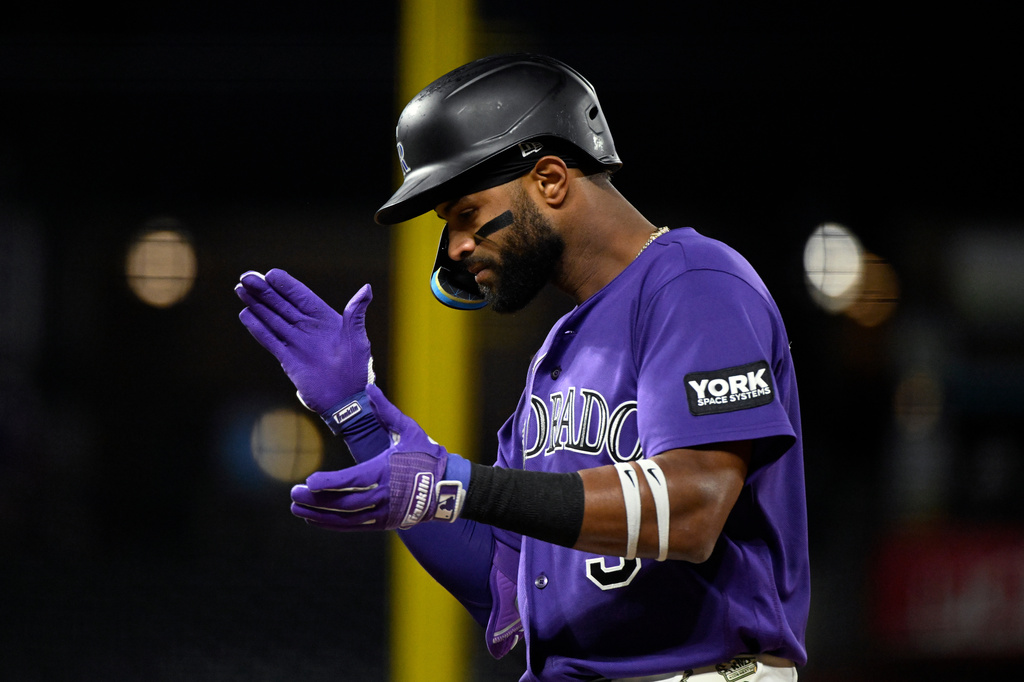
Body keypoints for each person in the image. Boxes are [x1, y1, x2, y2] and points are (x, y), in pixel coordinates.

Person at [235, 53, 809, 682]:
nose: (452, 247)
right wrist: (359, 415)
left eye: (466, 212)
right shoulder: (558, 350)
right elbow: (502, 583)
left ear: (552, 179)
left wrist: (463, 486)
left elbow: (695, 508)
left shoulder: (694, 282)